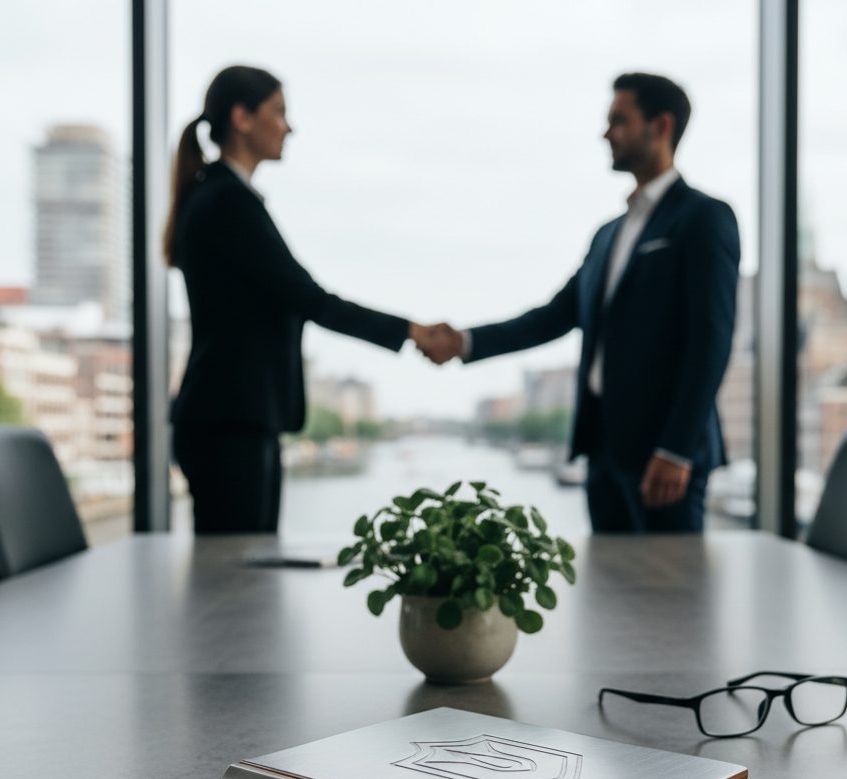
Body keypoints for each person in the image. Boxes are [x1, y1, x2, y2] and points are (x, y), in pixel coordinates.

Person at [424, 73, 740, 533]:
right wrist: (464, 342)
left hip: (663, 458)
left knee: (675, 599)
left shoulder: (704, 217)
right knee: (610, 595)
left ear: (662, 125)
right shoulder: (608, 233)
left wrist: (677, 448)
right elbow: (555, 316)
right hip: (603, 451)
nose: (606, 133)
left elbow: (711, 339)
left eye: (619, 120)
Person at [165, 65, 444, 534]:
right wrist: (410, 331)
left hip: (229, 416)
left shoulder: (215, 195)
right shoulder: (229, 201)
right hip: (233, 419)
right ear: (243, 118)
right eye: (279, 112)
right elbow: (307, 297)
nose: (289, 127)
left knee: (239, 579)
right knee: (240, 582)